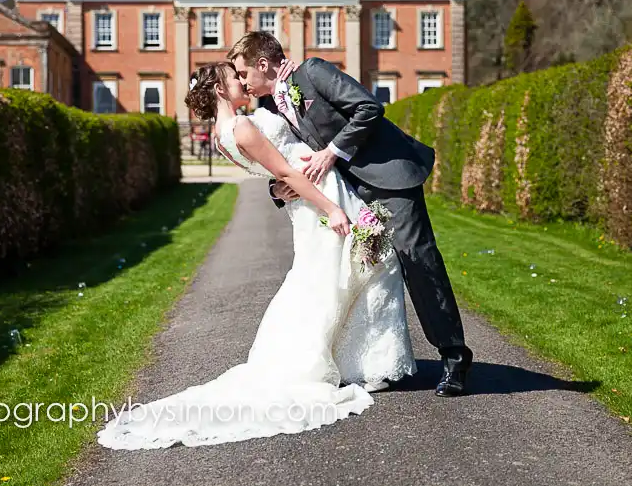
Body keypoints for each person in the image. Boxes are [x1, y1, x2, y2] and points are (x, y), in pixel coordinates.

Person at [96, 62, 415, 450]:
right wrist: (331, 209)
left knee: (329, 277)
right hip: (318, 196)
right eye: (234, 78)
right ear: (219, 89)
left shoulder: (220, 136)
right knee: (346, 275)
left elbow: (273, 177)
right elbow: (287, 173)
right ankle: (353, 363)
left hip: (306, 202)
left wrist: (281, 187)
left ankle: (352, 361)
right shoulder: (243, 126)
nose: (242, 82)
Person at [228, 31, 474, 398]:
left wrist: (331, 152)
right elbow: (285, 160)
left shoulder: (312, 72)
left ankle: (454, 356)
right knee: (362, 271)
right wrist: (278, 189)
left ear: (263, 64)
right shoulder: (276, 106)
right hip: (347, 192)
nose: (244, 84)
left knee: (417, 259)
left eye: (244, 74)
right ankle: (368, 360)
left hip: (388, 176)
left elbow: (369, 108)